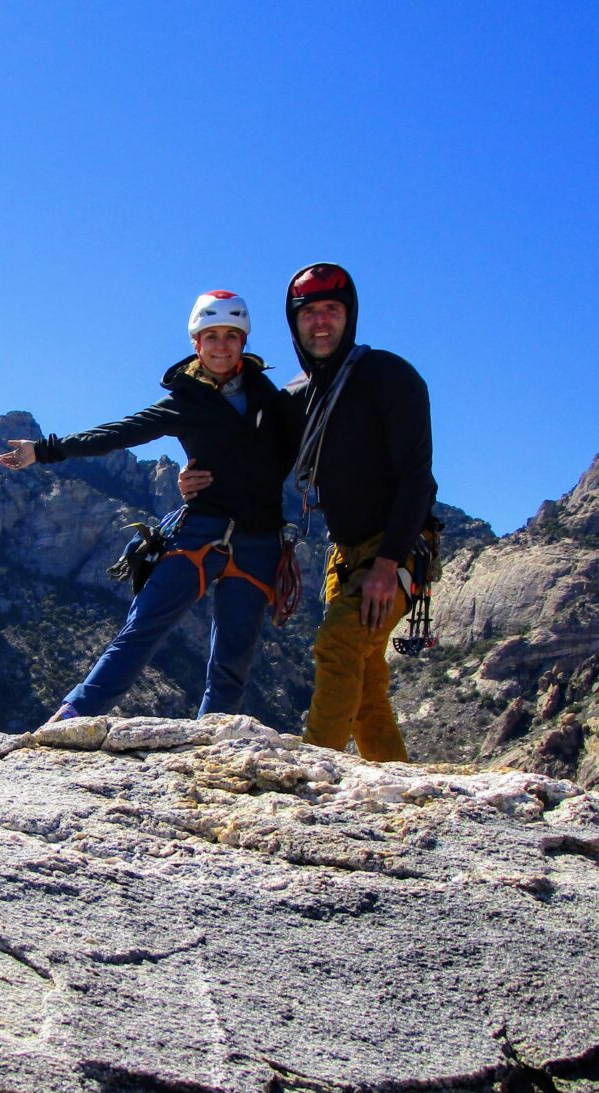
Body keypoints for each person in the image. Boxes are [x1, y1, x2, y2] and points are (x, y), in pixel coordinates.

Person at [0, 291, 298, 723]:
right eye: (211, 336)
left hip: (259, 540)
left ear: (244, 342)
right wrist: (44, 451)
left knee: (234, 659)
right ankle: (70, 719)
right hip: (200, 531)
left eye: (231, 335)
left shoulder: (271, 400)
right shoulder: (186, 401)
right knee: (140, 631)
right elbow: (122, 433)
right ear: (196, 343)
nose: (221, 345)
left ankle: (209, 748)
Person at [184, 263, 434, 760]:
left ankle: (311, 771)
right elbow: (251, 456)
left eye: (332, 310)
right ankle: (397, 785)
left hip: (397, 550)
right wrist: (194, 473)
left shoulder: (388, 377)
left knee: (339, 644)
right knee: (364, 687)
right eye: (309, 312)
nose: (321, 322)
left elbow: (417, 480)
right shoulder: (296, 400)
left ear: (350, 316)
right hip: (345, 555)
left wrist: (388, 565)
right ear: (293, 323)